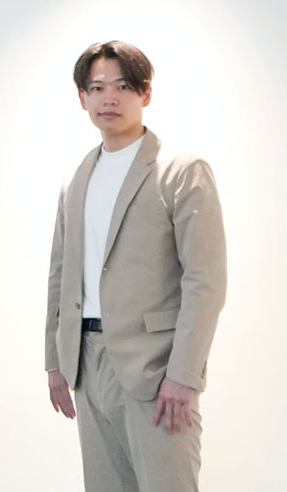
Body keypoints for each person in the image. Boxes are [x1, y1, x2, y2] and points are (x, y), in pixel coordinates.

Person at [45, 41, 226, 492]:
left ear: (145, 93)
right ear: (82, 98)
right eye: (97, 87)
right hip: (86, 363)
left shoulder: (181, 170)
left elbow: (205, 281)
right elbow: (60, 275)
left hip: (156, 368)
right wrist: (56, 361)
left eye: (123, 86)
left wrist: (184, 375)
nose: (109, 98)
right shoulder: (76, 179)